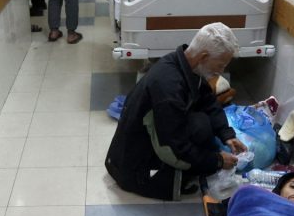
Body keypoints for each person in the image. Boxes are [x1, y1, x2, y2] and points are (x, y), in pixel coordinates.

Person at [105, 23, 248, 201]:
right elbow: (174, 147)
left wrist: (226, 134)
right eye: (220, 65)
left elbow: (207, 100)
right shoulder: (169, 87)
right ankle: (175, 175)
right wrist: (217, 161)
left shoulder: (184, 64)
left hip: (134, 147)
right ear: (203, 57)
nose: (221, 71)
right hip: (135, 170)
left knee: (202, 121)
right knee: (200, 127)